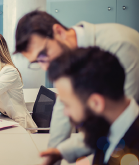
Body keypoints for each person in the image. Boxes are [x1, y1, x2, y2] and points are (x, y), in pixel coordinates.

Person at [14, 10, 139, 163]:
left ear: (59, 32)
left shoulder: (119, 44)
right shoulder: (61, 56)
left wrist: (66, 150)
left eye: (43, 54)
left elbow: (116, 120)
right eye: (37, 62)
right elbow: (63, 107)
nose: (45, 67)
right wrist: (54, 154)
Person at [42, 47, 138, 165]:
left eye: (67, 104)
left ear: (96, 103)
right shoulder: (107, 125)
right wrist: (59, 152)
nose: (65, 113)